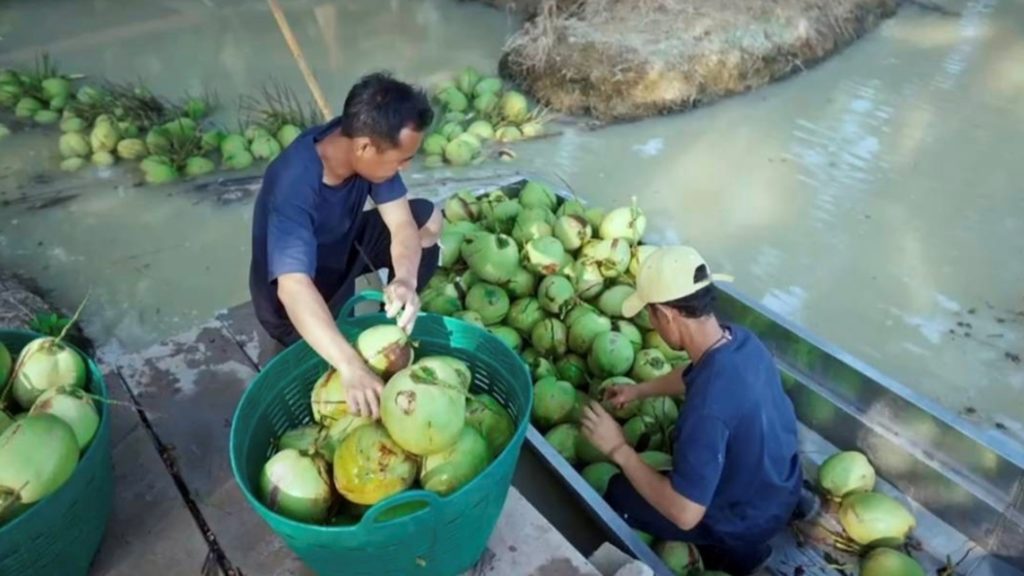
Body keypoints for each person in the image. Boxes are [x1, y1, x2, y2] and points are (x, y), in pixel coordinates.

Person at [580, 245, 816, 575]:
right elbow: (695, 373)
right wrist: (640, 390)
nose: (652, 323)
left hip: (746, 521)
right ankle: (780, 513)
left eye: (650, 314)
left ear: (665, 314)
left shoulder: (706, 409)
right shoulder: (740, 340)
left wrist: (618, 448)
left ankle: (736, 554)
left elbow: (685, 513)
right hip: (785, 484)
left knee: (619, 493)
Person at [248, 72, 443, 420]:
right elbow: (293, 287)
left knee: (428, 221)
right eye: (401, 159)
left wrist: (405, 280)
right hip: (294, 295)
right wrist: (351, 366)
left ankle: (390, 324)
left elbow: (401, 225)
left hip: (342, 249)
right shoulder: (295, 183)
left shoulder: (360, 142)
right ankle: (329, 344)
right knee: (322, 381)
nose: (406, 167)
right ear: (365, 147)